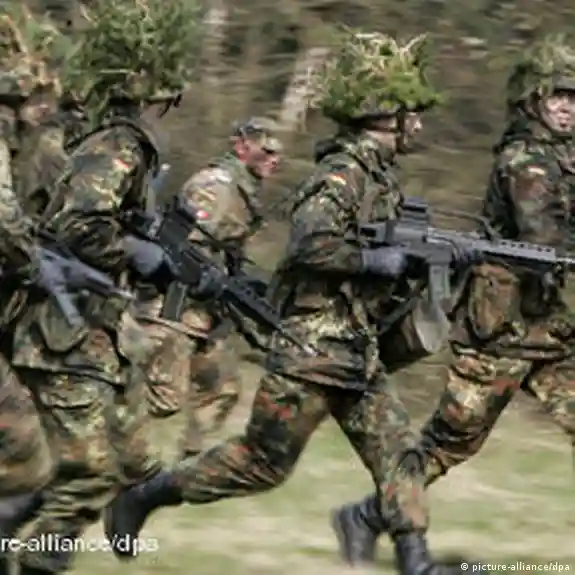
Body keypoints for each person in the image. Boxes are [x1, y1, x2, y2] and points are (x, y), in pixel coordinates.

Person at [104, 29, 483, 575]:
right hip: (311, 349)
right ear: (385, 118)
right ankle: (143, 496)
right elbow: (311, 243)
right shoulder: (343, 174)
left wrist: (433, 262)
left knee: (399, 451)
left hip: (355, 350)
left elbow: (380, 258)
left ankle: (415, 561)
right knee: (261, 462)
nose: (418, 126)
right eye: (411, 115)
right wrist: (375, 261)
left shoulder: (379, 178)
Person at [330, 33, 575, 566]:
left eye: (574, 97)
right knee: (449, 442)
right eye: (558, 95)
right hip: (499, 330)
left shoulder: (562, 157)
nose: (568, 107)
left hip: (548, 328)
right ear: (533, 98)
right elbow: (545, 237)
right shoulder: (526, 160)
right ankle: (367, 516)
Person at [7, 1, 201, 573]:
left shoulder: (114, 138)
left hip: (89, 326)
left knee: (109, 465)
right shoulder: (119, 142)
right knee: (89, 473)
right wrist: (138, 255)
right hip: (62, 328)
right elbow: (80, 226)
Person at [135, 117, 282, 459]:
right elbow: (177, 246)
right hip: (172, 310)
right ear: (242, 146)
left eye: (278, 153)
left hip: (205, 312)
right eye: (267, 151)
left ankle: (188, 466)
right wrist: (206, 277)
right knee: (162, 399)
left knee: (222, 389)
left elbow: (219, 249)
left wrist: (239, 280)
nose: (275, 159)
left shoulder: (244, 190)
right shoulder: (216, 186)